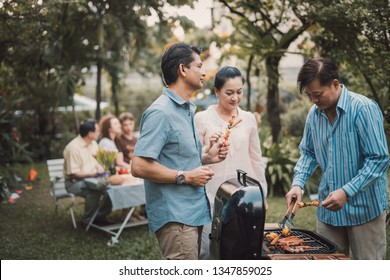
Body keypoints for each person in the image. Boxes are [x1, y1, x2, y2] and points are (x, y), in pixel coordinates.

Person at [131, 42, 229, 260]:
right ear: (183, 70)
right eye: (199, 66)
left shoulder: (185, 109)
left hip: (192, 211)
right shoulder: (161, 112)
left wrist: (207, 157)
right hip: (176, 217)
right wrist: (187, 176)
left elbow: (175, 157)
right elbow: (138, 166)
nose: (204, 72)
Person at [285, 57, 389, 260]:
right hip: (328, 213)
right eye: (308, 95)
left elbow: (379, 159)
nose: (313, 101)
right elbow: (308, 152)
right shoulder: (314, 114)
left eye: (317, 94)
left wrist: (346, 191)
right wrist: (298, 184)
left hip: (365, 211)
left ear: (334, 84)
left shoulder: (363, 109)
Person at [194, 66, 268, 259]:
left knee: (240, 249)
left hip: (244, 198)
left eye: (239, 92)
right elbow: (192, 156)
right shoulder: (202, 119)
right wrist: (209, 148)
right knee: (207, 250)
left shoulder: (248, 119)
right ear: (216, 92)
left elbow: (256, 159)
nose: (235, 98)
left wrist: (262, 194)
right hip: (210, 197)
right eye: (229, 93)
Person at [63, 119, 113, 227]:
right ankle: (87, 221)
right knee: (95, 191)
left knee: (110, 189)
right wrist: (93, 174)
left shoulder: (93, 143)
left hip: (93, 179)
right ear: (90, 133)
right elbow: (73, 174)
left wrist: (102, 169)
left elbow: (97, 161)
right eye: (97, 131)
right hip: (74, 182)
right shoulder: (73, 148)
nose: (99, 133)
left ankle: (99, 216)